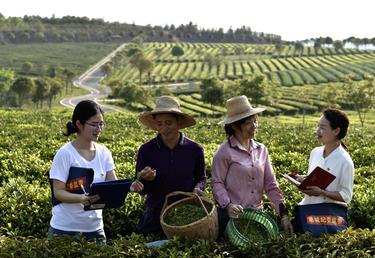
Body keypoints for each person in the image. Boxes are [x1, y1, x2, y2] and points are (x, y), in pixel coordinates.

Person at [48, 100, 141, 243]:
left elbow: (112, 184)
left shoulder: (104, 153)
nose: (99, 129)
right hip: (64, 229)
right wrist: (81, 198)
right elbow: (58, 192)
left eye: (101, 124)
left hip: (94, 229)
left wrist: (129, 187)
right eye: (94, 124)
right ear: (79, 124)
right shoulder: (65, 154)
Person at [211, 95, 293, 237]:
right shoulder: (224, 152)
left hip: (256, 216)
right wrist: (228, 205)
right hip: (233, 218)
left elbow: (271, 185)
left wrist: (283, 215)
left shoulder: (261, 150)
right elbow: (217, 183)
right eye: (248, 123)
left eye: (255, 121)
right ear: (235, 126)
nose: (254, 126)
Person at [133, 95, 206, 236]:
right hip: (155, 213)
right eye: (159, 124)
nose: (164, 128)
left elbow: (201, 178)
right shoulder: (146, 150)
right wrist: (146, 179)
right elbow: (140, 188)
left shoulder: (194, 149)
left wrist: (198, 188)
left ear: (178, 123)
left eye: (169, 123)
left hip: (186, 211)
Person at [294, 108, 354, 235]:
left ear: (336, 131)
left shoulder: (345, 161)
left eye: (322, 127)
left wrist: (322, 192)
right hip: (307, 211)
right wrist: (303, 179)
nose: (317, 131)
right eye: (317, 126)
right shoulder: (315, 152)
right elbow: (315, 178)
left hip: (327, 218)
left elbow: (346, 196)